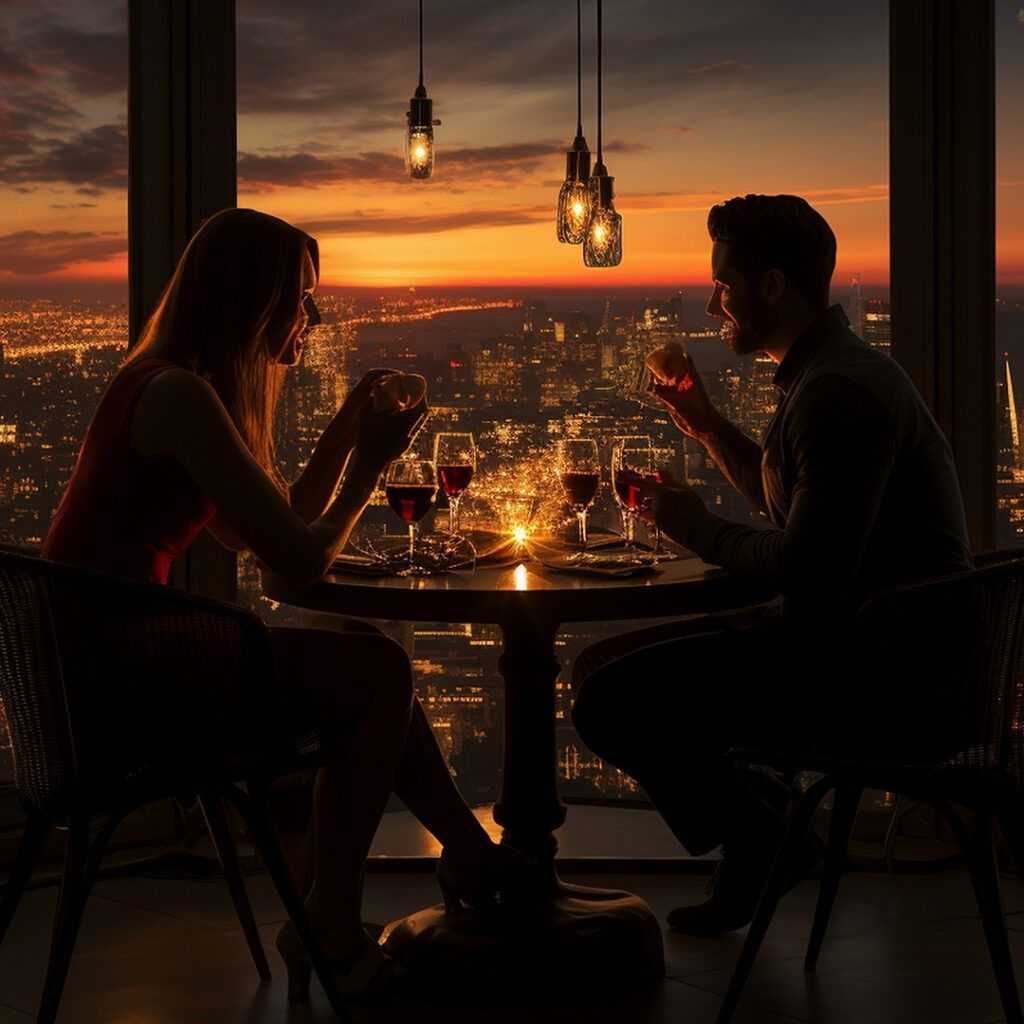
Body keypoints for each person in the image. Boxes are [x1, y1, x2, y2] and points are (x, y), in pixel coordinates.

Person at [42, 208, 520, 996]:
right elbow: (295, 566)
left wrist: (342, 434)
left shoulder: (164, 384)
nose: (315, 316)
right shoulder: (181, 396)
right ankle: (330, 922)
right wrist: (369, 468)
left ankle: (462, 854)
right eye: (302, 296)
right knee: (376, 670)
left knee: (368, 657)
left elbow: (261, 531)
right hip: (123, 679)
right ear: (252, 301)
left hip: (104, 658)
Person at [571, 194, 973, 936]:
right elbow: (796, 508)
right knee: (599, 668)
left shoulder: (839, 394)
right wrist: (706, 423)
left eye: (726, 283)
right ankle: (771, 827)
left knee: (607, 701)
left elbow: (806, 565)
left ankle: (767, 837)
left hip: (885, 677)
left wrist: (692, 524)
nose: (715, 301)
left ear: (775, 287)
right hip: (857, 644)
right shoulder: (827, 377)